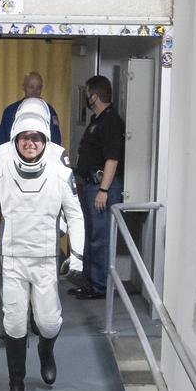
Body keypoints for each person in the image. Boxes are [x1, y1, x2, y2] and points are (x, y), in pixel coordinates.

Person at [0, 109, 84, 391]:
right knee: (13, 323)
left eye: (36, 138)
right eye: (25, 138)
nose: (30, 143)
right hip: (11, 260)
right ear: (16, 140)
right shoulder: (0, 171)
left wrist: (76, 256)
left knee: (48, 323)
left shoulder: (60, 172)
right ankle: (16, 384)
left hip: (45, 260)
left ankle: (46, 350)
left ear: (45, 141)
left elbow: (75, 215)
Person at [73, 75, 125, 300]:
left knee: (100, 238)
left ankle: (99, 286)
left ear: (94, 96)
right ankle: (88, 283)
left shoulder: (111, 121)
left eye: (87, 93)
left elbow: (112, 159)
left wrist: (103, 190)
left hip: (101, 187)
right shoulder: (98, 119)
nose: (86, 97)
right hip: (90, 185)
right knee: (88, 235)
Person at [0, 71, 61, 149]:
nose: (35, 91)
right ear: (23, 87)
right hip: (14, 156)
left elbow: (55, 141)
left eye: (38, 88)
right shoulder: (10, 111)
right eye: (31, 87)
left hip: (42, 157)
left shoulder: (49, 111)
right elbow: (1, 142)